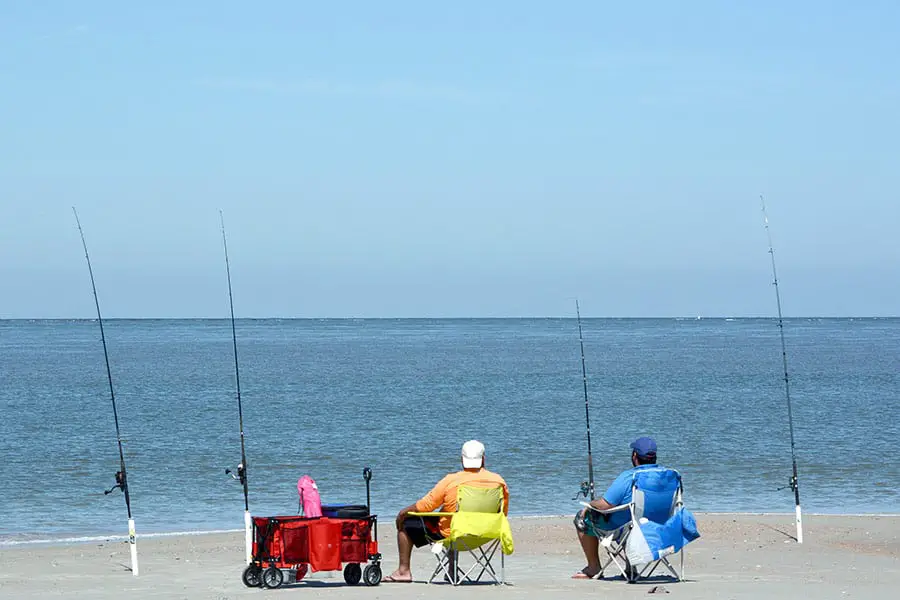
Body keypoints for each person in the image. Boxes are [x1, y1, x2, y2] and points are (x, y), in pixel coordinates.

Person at [383, 439, 509, 583]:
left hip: (454, 534)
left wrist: (403, 512)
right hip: (487, 534)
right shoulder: (499, 482)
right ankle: (452, 570)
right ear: (483, 460)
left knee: (409, 523)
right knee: (454, 516)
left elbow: (427, 505)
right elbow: (503, 513)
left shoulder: (452, 480)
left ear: (462, 459)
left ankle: (403, 571)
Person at [572, 436, 660, 579]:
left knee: (581, 519)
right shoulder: (670, 476)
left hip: (627, 529)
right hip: (658, 528)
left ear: (635, 456)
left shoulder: (629, 477)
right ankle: (631, 568)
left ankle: (594, 567)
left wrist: (590, 505)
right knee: (633, 516)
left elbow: (605, 505)